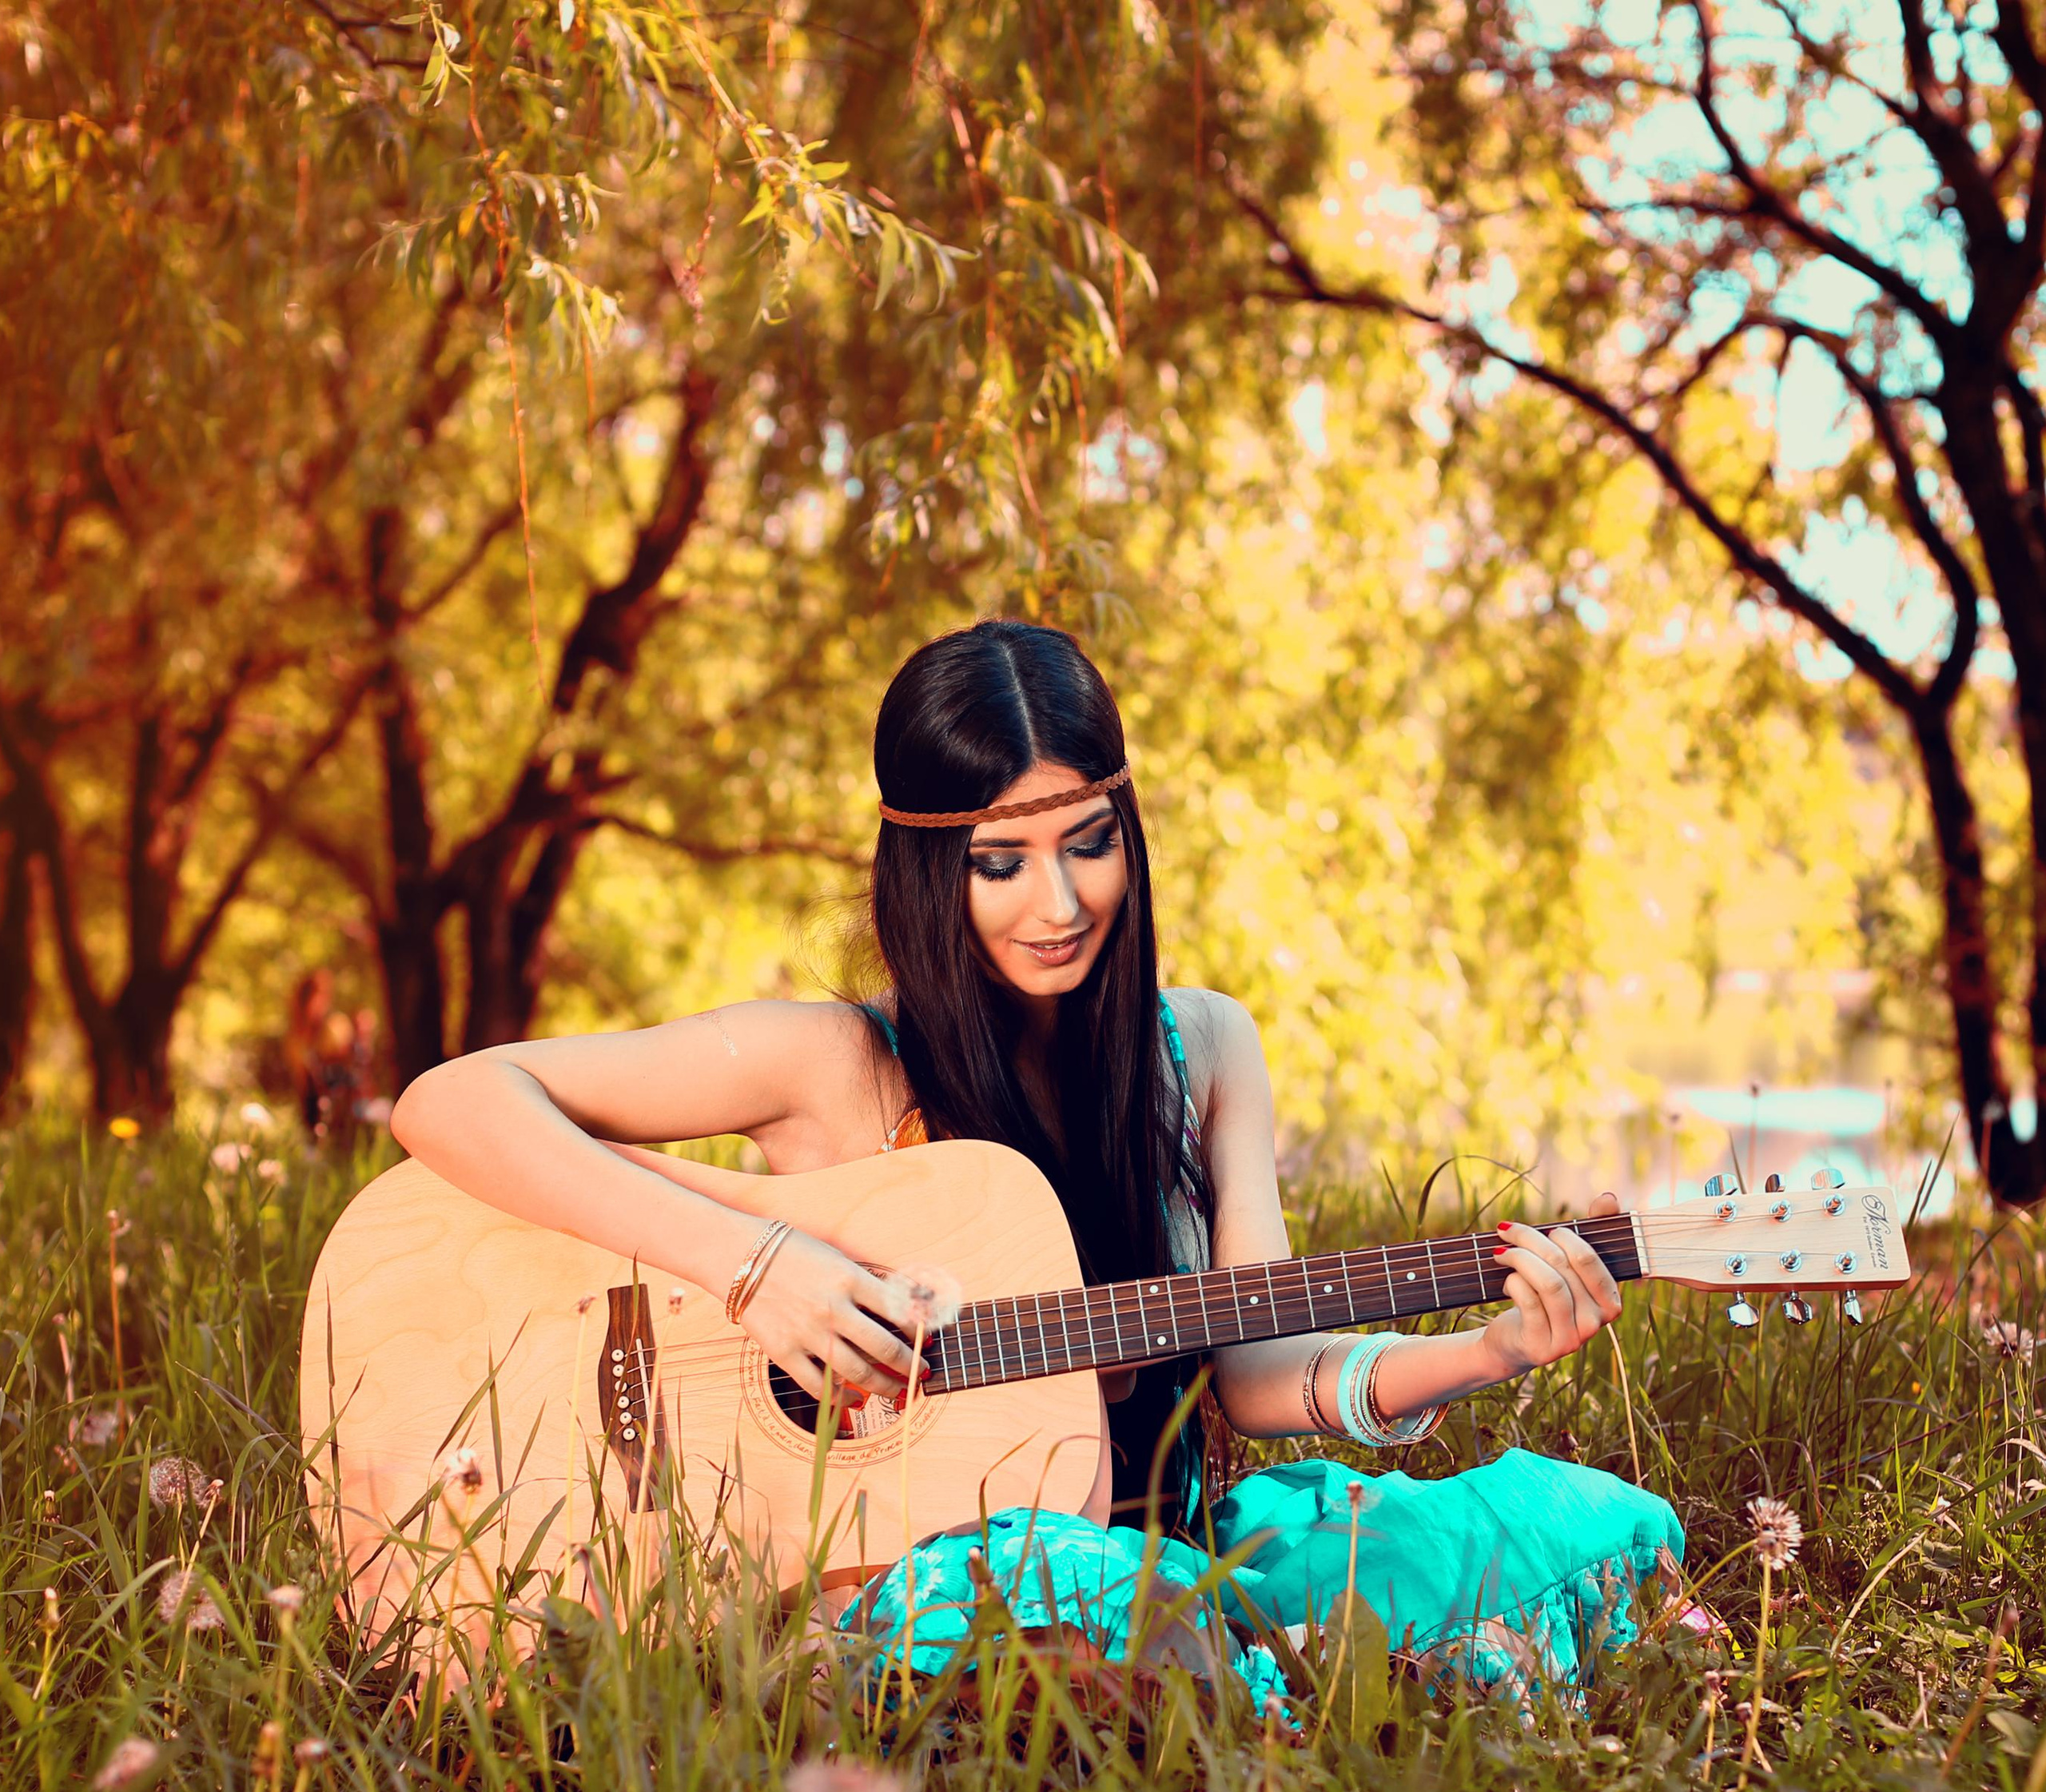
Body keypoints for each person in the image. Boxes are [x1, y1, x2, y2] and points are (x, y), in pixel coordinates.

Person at [389, 620, 1683, 1706]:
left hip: (1158, 1541)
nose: (1057, 905)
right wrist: (759, 1268)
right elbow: (453, 1101)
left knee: (1589, 1532)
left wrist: (1490, 1351)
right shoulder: (835, 1064)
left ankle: (1178, 1665)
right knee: (1129, 1616)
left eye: (1088, 843)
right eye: (998, 863)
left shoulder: (1205, 1048)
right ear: (924, 867)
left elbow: (1260, 1375)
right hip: (903, 1575)